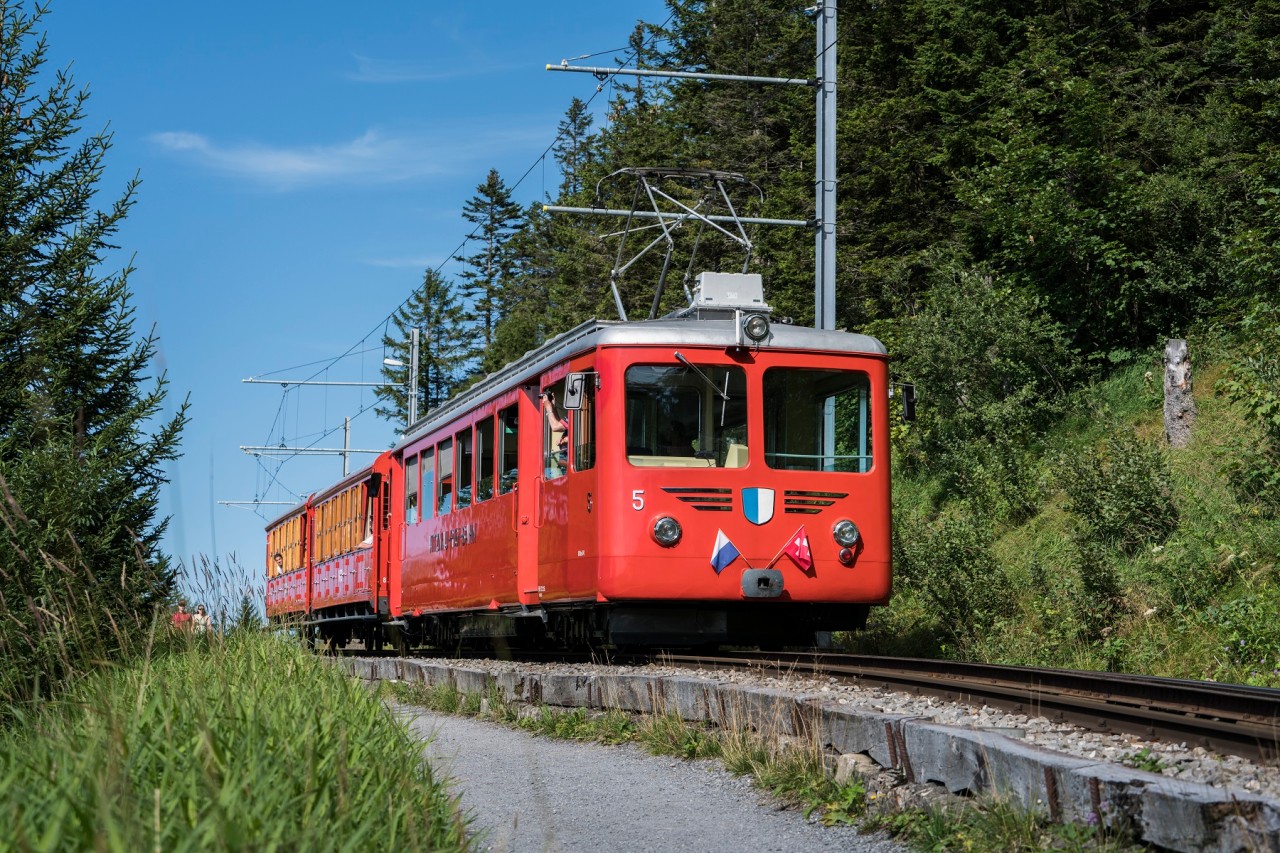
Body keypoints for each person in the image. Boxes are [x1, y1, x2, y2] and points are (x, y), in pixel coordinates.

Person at [542, 390, 569, 475]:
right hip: (565, 456)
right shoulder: (574, 414)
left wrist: (548, 408)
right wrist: (553, 406)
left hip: (568, 459)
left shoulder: (576, 415)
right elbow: (560, 422)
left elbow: (555, 427)